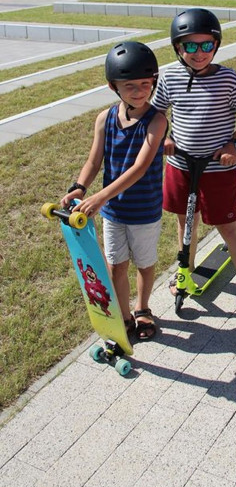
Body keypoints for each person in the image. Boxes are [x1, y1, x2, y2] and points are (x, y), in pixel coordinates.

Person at [152, 8, 236, 311]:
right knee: (186, 222)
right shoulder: (169, 76)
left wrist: (234, 144)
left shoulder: (227, 78)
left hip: (218, 168)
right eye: (190, 45)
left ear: (216, 45)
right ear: (178, 47)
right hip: (181, 165)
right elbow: (157, 113)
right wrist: (164, 138)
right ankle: (184, 271)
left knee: (228, 226)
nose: (199, 53)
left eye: (206, 45)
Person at [61, 41, 168, 340]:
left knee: (144, 264)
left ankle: (142, 308)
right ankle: (123, 315)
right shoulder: (104, 119)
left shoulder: (157, 120)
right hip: (113, 211)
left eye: (145, 84)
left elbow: (140, 167)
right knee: (116, 265)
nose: (139, 91)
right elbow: (94, 160)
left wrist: (99, 197)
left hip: (144, 209)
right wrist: (80, 188)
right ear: (113, 86)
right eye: (130, 85)